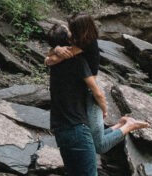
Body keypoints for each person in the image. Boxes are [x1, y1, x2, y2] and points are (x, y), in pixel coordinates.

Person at [46, 22, 148, 176]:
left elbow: (50, 58)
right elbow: (97, 90)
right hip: (76, 127)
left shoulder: (55, 65)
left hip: (60, 128)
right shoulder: (78, 61)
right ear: (68, 40)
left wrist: (53, 51)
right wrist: (103, 109)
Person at [45, 14, 132, 155]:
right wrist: (56, 49)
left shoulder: (87, 43)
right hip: (84, 91)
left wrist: (104, 108)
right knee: (91, 138)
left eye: (71, 28)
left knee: (99, 146)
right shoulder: (80, 39)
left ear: (80, 29)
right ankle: (121, 125)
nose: (70, 32)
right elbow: (53, 56)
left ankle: (129, 126)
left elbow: (52, 60)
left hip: (92, 93)